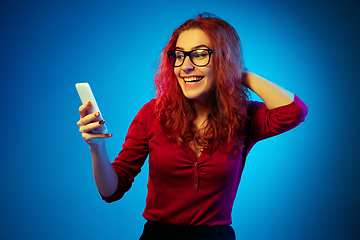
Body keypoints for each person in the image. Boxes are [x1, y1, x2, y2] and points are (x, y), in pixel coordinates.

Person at [77, 13, 308, 240]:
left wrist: (238, 72)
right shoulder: (153, 113)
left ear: (223, 60)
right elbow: (111, 191)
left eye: (199, 55)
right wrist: (97, 148)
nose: (184, 67)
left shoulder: (244, 116)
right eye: (178, 56)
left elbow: (294, 111)